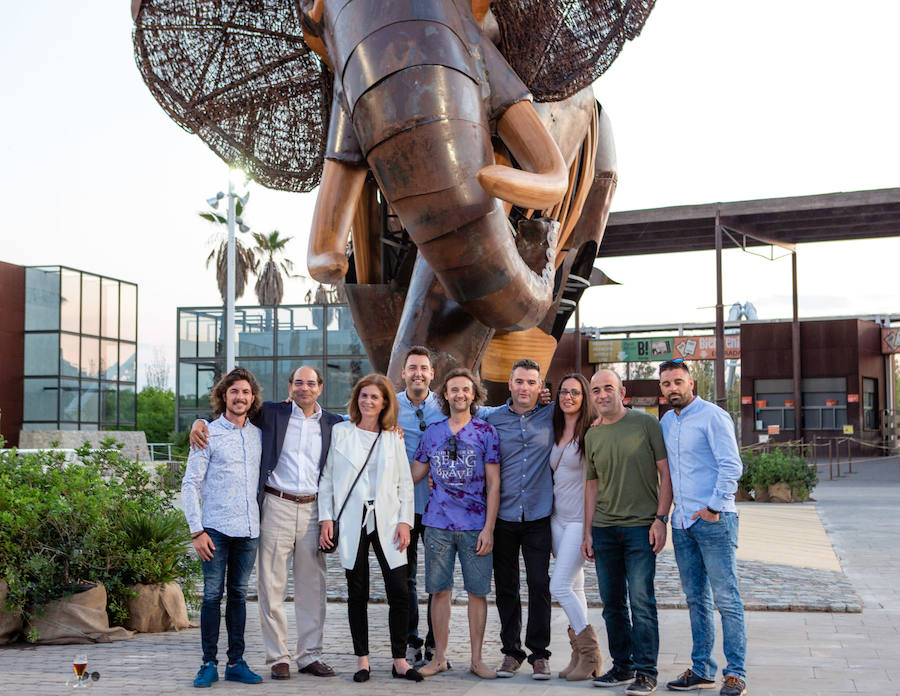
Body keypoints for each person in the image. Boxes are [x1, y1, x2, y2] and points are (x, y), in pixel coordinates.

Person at [190, 366, 343, 680]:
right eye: (298, 382)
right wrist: (200, 422)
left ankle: (310, 656)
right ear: (289, 387)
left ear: (320, 388)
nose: (304, 388)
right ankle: (278, 658)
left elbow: (367, 427)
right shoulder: (272, 414)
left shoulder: (334, 423)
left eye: (310, 383)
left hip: (314, 508)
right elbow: (231, 411)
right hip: (276, 504)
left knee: (313, 587)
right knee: (270, 585)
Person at [317, 374, 422, 683]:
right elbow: (327, 479)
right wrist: (326, 518)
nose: (368, 401)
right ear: (356, 399)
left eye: (375, 397)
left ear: (385, 402)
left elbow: (405, 482)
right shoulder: (340, 432)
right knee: (357, 590)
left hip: (388, 518)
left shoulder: (394, 436)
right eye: (364, 396)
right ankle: (362, 660)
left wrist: (405, 521)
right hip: (352, 519)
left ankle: (399, 660)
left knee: (399, 591)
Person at [658, 360, 747, 696]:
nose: (673, 389)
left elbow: (731, 465)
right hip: (682, 524)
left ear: (691, 382)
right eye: (666, 384)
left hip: (714, 520)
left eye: (678, 382)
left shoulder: (713, 416)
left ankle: (735, 673)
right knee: (696, 599)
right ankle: (701, 669)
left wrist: (712, 508)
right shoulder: (666, 421)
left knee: (727, 599)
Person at [581, 369, 672, 696]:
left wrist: (661, 519)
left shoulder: (646, 425)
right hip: (604, 530)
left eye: (608, 388)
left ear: (623, 392)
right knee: (612, 604)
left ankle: (646, 672)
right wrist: (587, 532)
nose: (602, 395)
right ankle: (622, 667)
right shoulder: (591, 435)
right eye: (596, 390)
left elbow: (665, 474)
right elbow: (591, 486)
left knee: (642, 601)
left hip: (639, 529)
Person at [411, 368, 500, 680]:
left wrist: (489, 528)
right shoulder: (432, 433)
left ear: (474, 394)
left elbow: (494, 484)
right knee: (439, 591)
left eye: (465, 389)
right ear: (444, 395)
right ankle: (440, 658)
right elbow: (413, 475)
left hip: (476, 525)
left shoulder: (485, 433)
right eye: (453, 390)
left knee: (478, 592)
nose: (460, 394)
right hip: (437, 524)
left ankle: (477, 660)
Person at [181, 367, 265, 688]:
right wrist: (196, 531)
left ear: (252, 397)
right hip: (214, 530)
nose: (240, 397)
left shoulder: (259, 435)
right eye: (234, 391)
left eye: (245, 392)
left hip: (248, 530)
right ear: (223, 396)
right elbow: (190, 484)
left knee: (239, 596)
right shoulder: (207, 433)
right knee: (212, 596)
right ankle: (207, 663)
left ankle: (236, 662)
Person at [482, 358, 555, 680]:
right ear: (510, 384)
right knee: (506, 586)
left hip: (539, 513)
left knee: (539, 583)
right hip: (504, 516)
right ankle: (511, 652)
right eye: (520, 381)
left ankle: (540, 653)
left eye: (531, 382)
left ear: (541, 387)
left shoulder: (553, 415)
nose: (525, 387)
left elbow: (584, 412)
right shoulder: (492, 418)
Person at [549, 373, 603, 681]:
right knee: (576, 587)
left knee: (559, 586)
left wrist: (589, 529)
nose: (568, 396)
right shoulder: (554, 428)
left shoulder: (591, 432)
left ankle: (591, 651)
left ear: (584, 398)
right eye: (563, 391)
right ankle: (580, 657)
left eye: (575, 392)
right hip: (556, 518)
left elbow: (595, 481)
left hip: (578, 520)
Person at [395, 346, 443, 666]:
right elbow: (351, 419)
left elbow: (484, 414)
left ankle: (435, 642)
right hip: (404, 508)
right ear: (404, 373)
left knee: (437, 579)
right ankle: (411, 638)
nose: (418, 373)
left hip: (439, 507)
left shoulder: (446, 404)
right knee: (407, 578)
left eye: (424, 368)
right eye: (413, 368)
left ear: (431, 373)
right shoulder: (390, 405)